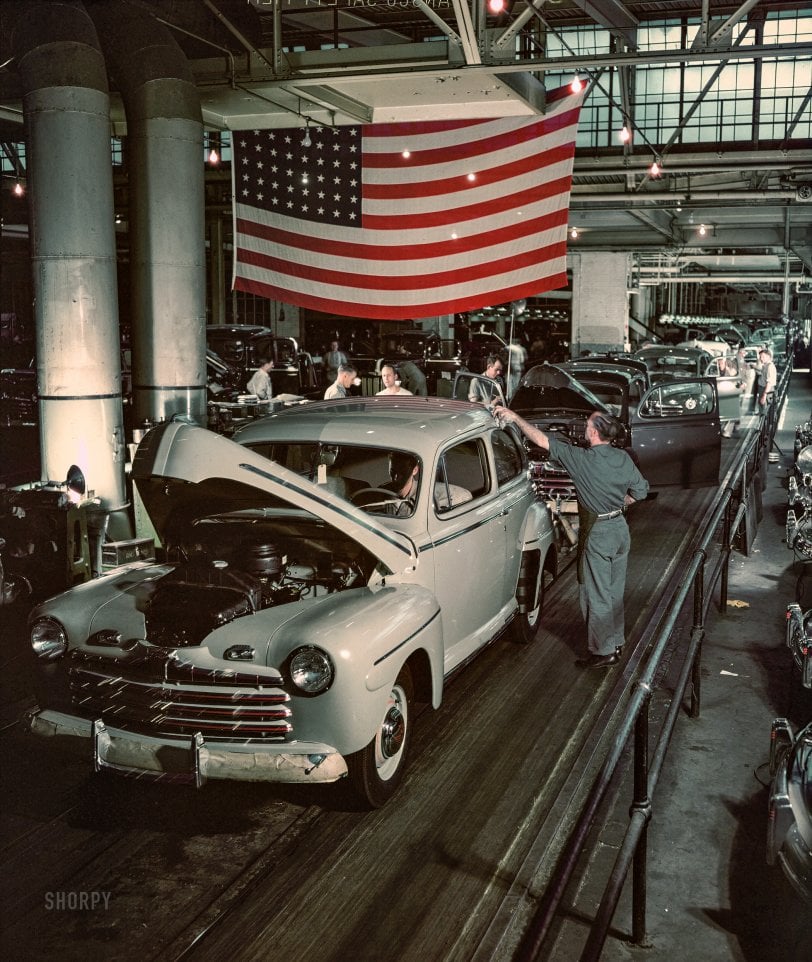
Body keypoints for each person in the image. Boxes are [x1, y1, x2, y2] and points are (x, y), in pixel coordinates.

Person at [495, 406, 649, 669]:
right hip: (620, 530)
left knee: (596, 594)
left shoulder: (582, 459)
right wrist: (620, 503)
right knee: (613, 592)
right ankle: (616, 641)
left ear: (594, 432)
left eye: (588, 424)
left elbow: (541, 439)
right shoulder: (622, 457)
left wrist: (514, 417)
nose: (584, 427)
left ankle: (603, 652)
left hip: (599, 533)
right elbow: (642, 491)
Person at [756, 348, 777, 414]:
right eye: (760, 357)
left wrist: (764, 396)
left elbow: (769, 383)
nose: (761, 358)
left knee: (765, 412)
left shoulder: (770, 367)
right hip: (763, 389)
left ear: (768, 357)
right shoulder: (765, 365)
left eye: (763, 357)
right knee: (762, 410)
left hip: (766, 390)